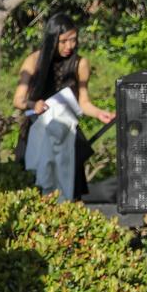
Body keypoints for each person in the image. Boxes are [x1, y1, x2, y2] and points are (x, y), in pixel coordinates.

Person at [12, 13, 114, 199]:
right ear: (52, 40)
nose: (69, 46)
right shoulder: (33, 61)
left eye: (73, 40)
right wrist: (33, 104)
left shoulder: (80, 64)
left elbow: (83, 102)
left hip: (66, 135)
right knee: (31, 193)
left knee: (68, 194)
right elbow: (18, 99)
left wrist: (100, 113)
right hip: (36, 133)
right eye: (63, 41)